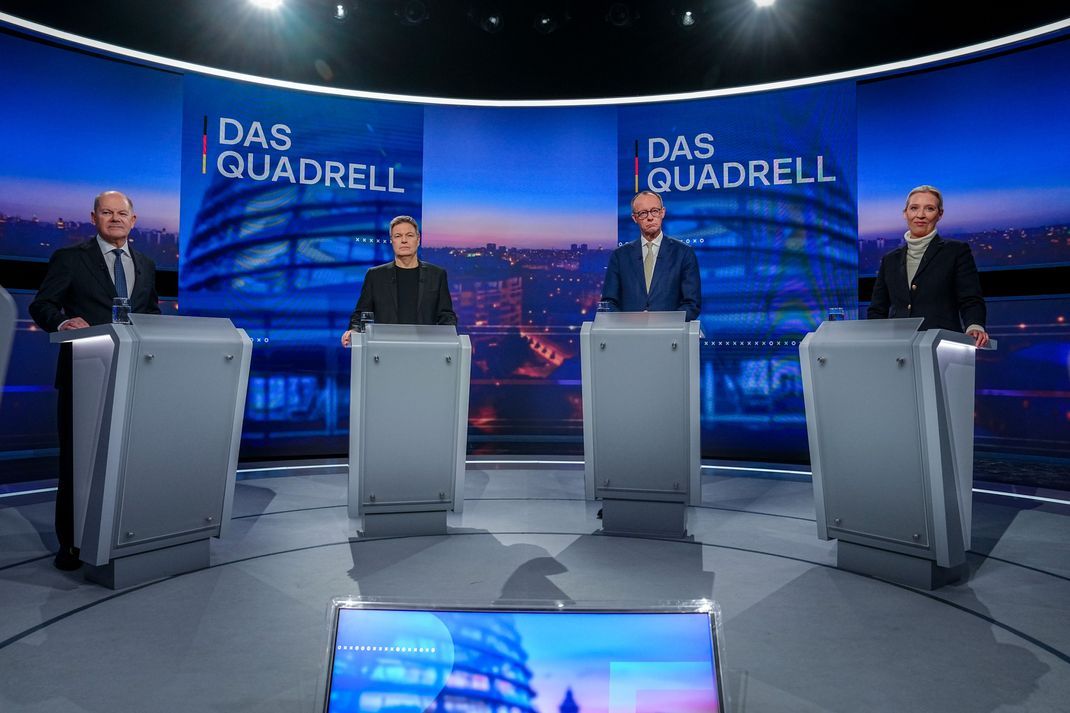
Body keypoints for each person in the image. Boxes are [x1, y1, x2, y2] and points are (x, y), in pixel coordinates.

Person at [29, 190, 161, 571]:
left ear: (133, 221)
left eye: (122, 213)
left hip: (136, 374)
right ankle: (71, 544)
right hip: (85, 373)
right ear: (94, 217)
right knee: (78, 462)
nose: (115, 218)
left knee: (130, 460)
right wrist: (63, 322)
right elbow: (43, 304)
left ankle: (124, 534)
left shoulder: (147, 263)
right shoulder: (71, 259)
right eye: (107, 212)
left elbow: (149, 312)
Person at [867, 185, 988, 348]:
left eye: (929, 209)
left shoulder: (956, 252)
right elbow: (877, 310)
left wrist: (974, 326)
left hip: (942, 346)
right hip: (898, 349)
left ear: (940, 214)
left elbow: (970, 299)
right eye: (914, 208)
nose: (920, 215)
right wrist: (875, 342)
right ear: (905, 213)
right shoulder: (890, 260)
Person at [340, 215, 457, 346]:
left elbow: (446, 316)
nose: (404, 240)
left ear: (418, 240)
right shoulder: (375, 275)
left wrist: (447, 339)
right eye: (398, 236)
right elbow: (361, 314)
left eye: (409, 235)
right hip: (384, 350)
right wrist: (354, 331)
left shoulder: (437, 274)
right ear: (392, 241)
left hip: (424, 350)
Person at [600, 191, 701, 320]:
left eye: (654, 211)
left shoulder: (683, 253)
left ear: (662, 212)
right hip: (630, 335)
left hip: (670, 336)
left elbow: (692, 304)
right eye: (643, 213)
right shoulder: (620, 256)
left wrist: (659, 322)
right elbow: (609, 303)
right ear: (634, 218)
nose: (650, 217)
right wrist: (630, 322)